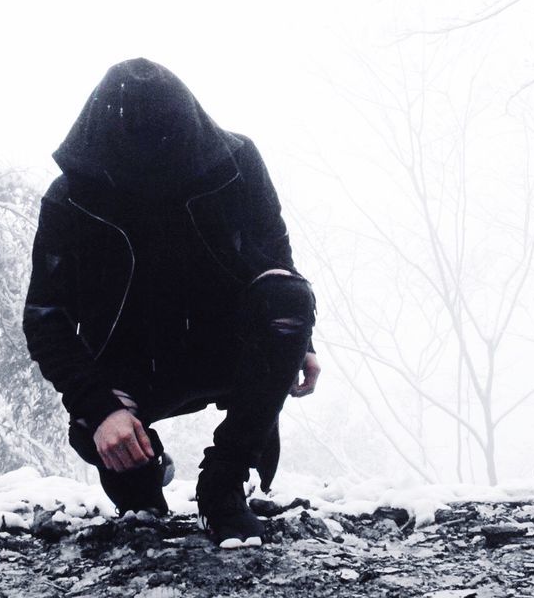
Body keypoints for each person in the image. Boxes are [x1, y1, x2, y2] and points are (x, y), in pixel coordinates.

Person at [22, 57, 319, 549]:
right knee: (99, 441)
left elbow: (276, 260)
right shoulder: (70, 199)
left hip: (224, 346)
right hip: (133, 366)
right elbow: (45, 319)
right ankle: (144, 475)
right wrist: (100, 411)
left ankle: (223, 483)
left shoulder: (237, 163)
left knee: (288, 299)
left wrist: (295, 338)